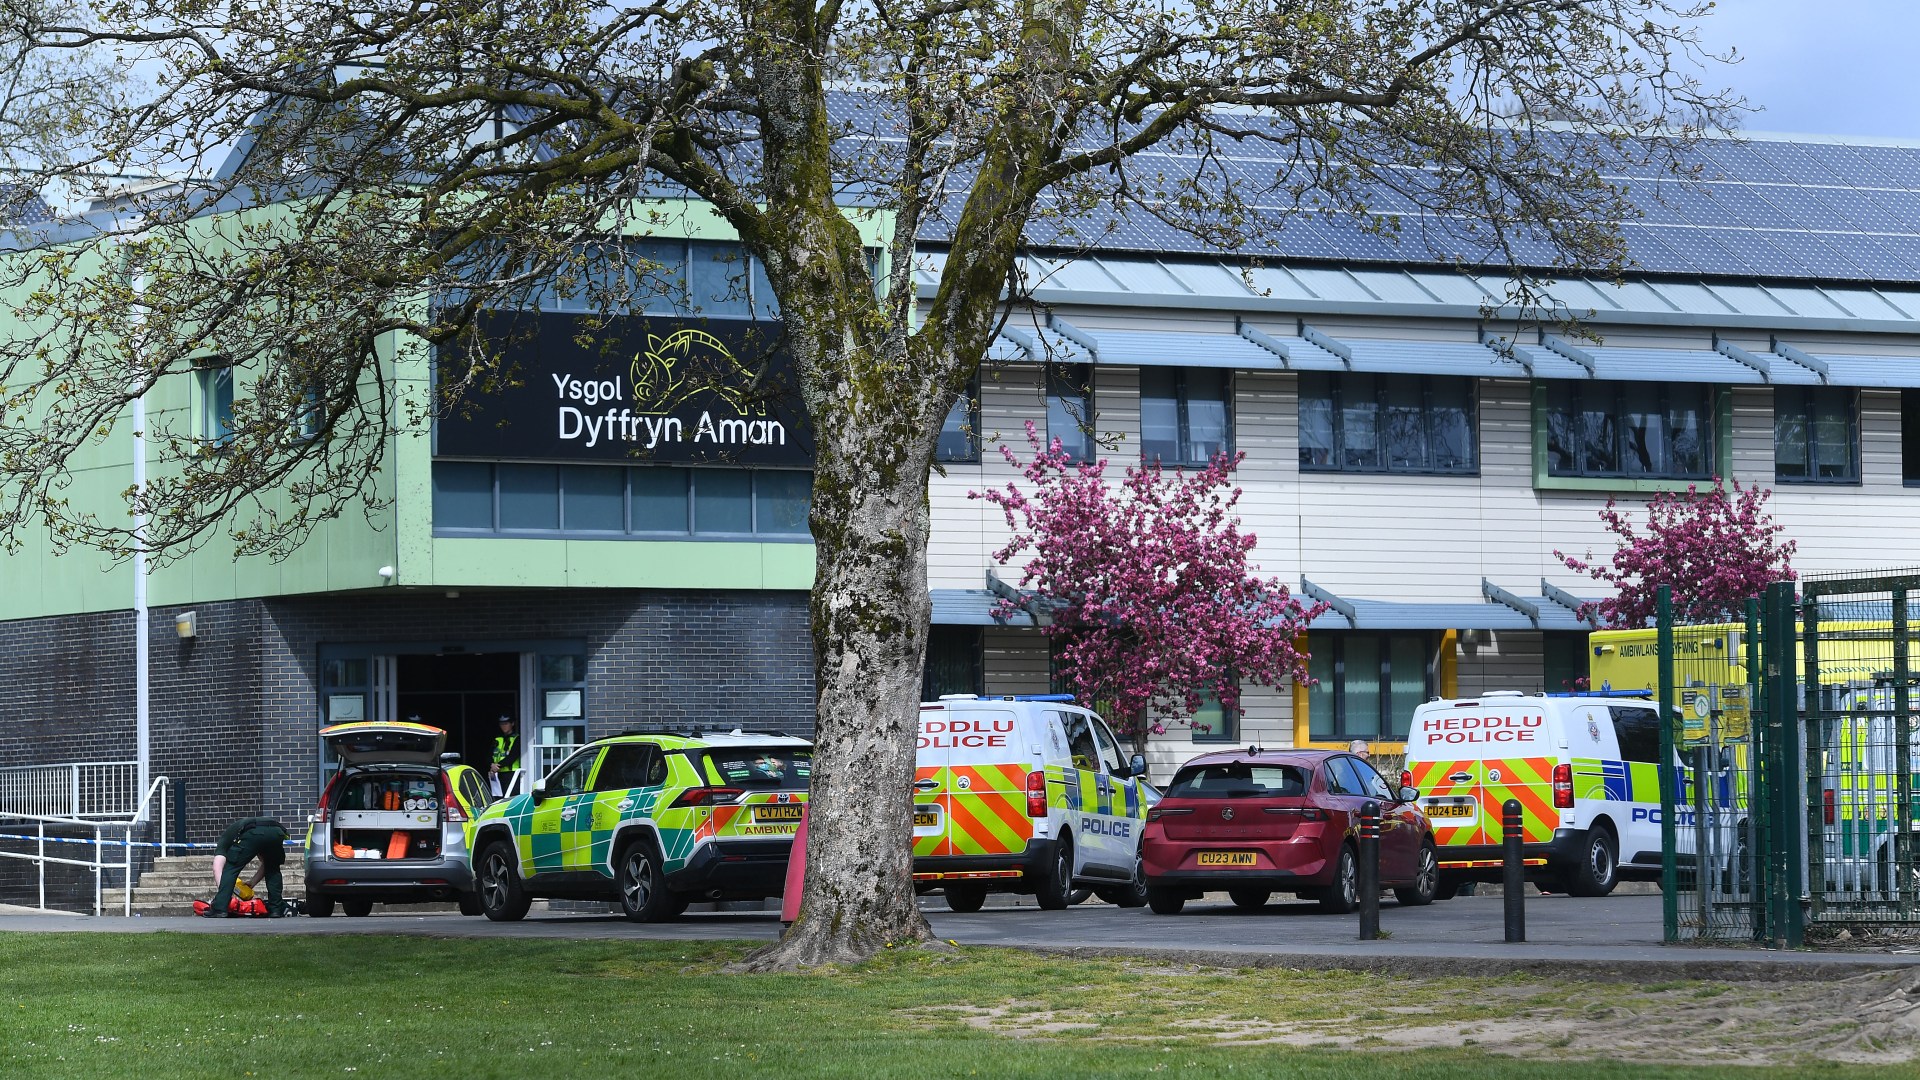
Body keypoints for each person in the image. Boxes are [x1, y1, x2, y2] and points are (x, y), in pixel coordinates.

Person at [204, 815, 289, 918]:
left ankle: (220, 909)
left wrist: (223, 893)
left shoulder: (225, 839)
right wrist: (252, 882)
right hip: (278, 832)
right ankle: (276, 909)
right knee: (273, 868)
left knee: (231, 867)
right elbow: (266, 865)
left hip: (254, 831)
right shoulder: (255, 837)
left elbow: (217, 867)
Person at [491, 715, 521, 797]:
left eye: (506, 723)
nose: (503, 726)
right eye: (501, 724)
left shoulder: (517, 738)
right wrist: (491, 765)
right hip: (497, 774)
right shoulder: (497, 739)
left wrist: (497, 766)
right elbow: (488, 754)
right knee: (497, 798)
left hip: (512, 773)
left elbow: (513, 756)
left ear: (512, 724)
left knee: (511, 797)